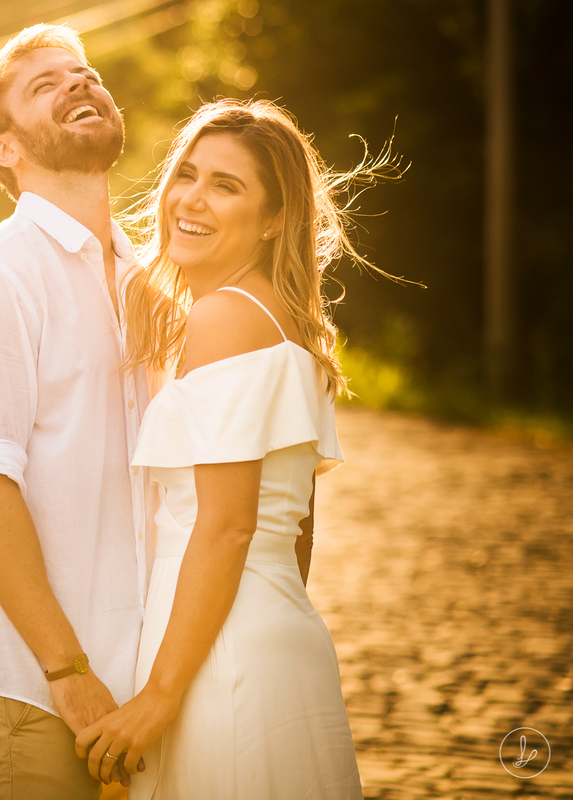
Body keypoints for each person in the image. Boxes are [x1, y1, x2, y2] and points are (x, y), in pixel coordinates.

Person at [75, 99, 392, 798]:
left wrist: (159, 695)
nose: (191, 198)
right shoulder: (286, 325)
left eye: (227, 185)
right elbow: (298, 531)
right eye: (186, 173)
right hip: (273, 637)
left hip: (216, 658)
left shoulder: (223, 319)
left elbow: (227, 527)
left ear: (275, 217)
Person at [0, 23, 155, 799]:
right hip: (34, 685)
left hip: (147, 687)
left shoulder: (149, 278)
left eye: (84, 73)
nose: (79, 84)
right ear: (5, 148)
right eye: (45, 85)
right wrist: (67, 669)